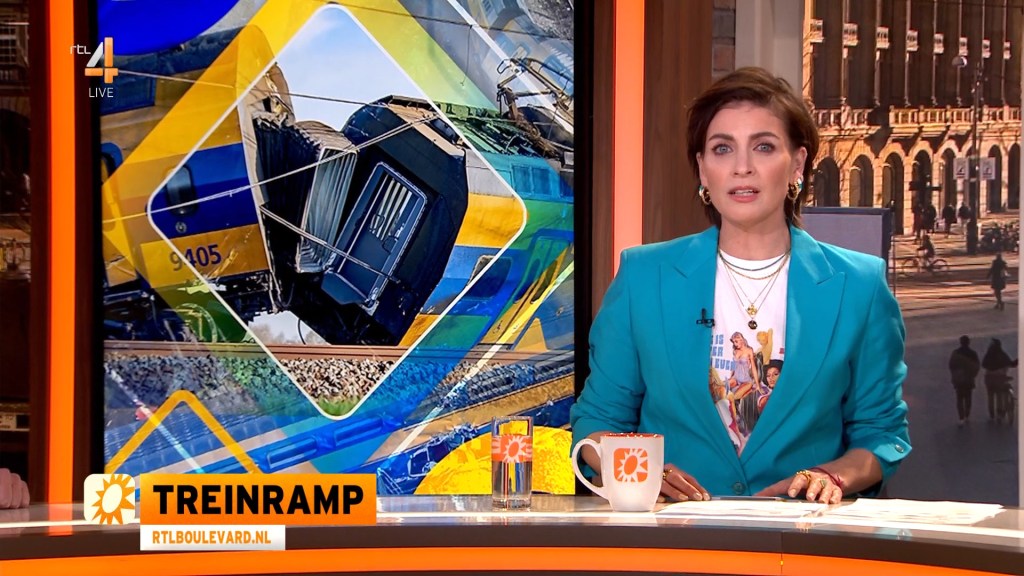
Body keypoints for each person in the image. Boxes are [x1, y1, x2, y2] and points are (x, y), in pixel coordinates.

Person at [570, 67, 911, 505]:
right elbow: (597, 421)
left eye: (763, 147)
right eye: (722, 148)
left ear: (798, 164)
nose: (742, 167)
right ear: (702, 169)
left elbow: (881, 432)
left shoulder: (859, 286)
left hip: (801, 536)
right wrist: (638, 471)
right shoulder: (644, 276)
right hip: (674, 535)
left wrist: (832, 476)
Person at [982, 339, 1018, 423]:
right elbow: (1011, 364)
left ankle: (991, 415)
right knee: (999, 396)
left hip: (989, 378)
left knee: (990, 396)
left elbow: (983, 364)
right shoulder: (1002, 354)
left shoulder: (988, 355)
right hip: (999, 378)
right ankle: (999, 414)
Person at [948, 335, 980, 426]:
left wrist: (954, 375)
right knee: (968, 397)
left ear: (960, 342)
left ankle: (961, 417)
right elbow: (977, 366)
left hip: (959, 379)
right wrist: (973, 375)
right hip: (969, 379)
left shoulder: (955, 353)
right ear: (968, 342)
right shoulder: (973, 353)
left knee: (959, 398)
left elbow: (951, 366)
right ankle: (967, 415)